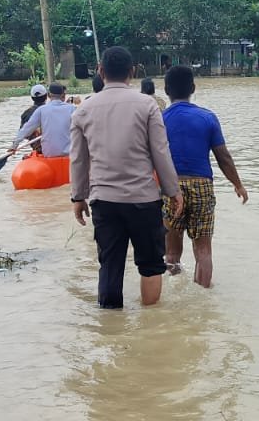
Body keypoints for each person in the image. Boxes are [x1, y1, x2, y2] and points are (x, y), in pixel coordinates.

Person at [70, 46, 183, 309]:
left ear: (100, 71)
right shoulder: (147, 105)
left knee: (110, 264)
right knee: (151, 265)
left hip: (103, 201)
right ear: (132, 72)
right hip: (143, 199)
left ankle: (111, 331)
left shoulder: (83, 110)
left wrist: (78, 197)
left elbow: (78, 159)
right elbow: (160, 152)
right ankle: (151, 328)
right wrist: (172, 190)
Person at [159, 64, 248, 287]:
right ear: (193, 88)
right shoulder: (208, 118)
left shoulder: (160, 119)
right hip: (202, 185)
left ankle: (176, 292)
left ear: (166, 90)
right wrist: (238, 184)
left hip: (172, 187)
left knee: (171, 251)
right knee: (203, 250)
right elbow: (223, 156)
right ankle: (203, 296)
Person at [10, 83, 74, 157]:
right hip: (69, 154)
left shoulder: (41, 110)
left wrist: (14, 146)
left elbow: (26, 130)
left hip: (49, 154)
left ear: (49, 95)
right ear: (63, 95)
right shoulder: (72, 109)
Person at [20, 84, 48, 153]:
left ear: (32, 98)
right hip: (53, 148)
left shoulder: (26, 114)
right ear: (46, 96)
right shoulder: (52, 110)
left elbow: (23, 134)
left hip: (38, 148)